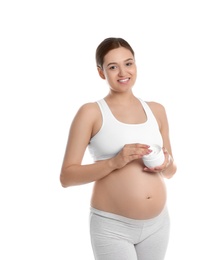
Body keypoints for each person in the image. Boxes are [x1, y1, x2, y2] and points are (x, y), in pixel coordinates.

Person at [60, 37, 177, 260]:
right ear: (101, 72)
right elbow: (67, 176)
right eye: (113, 67)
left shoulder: (157, 110)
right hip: (112, 227)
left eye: (128, 63)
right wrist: (115, 161)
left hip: (158, 224)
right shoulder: (91, 112)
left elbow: (171, 171)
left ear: (136, 65)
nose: (123, 72)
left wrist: (166, 163)